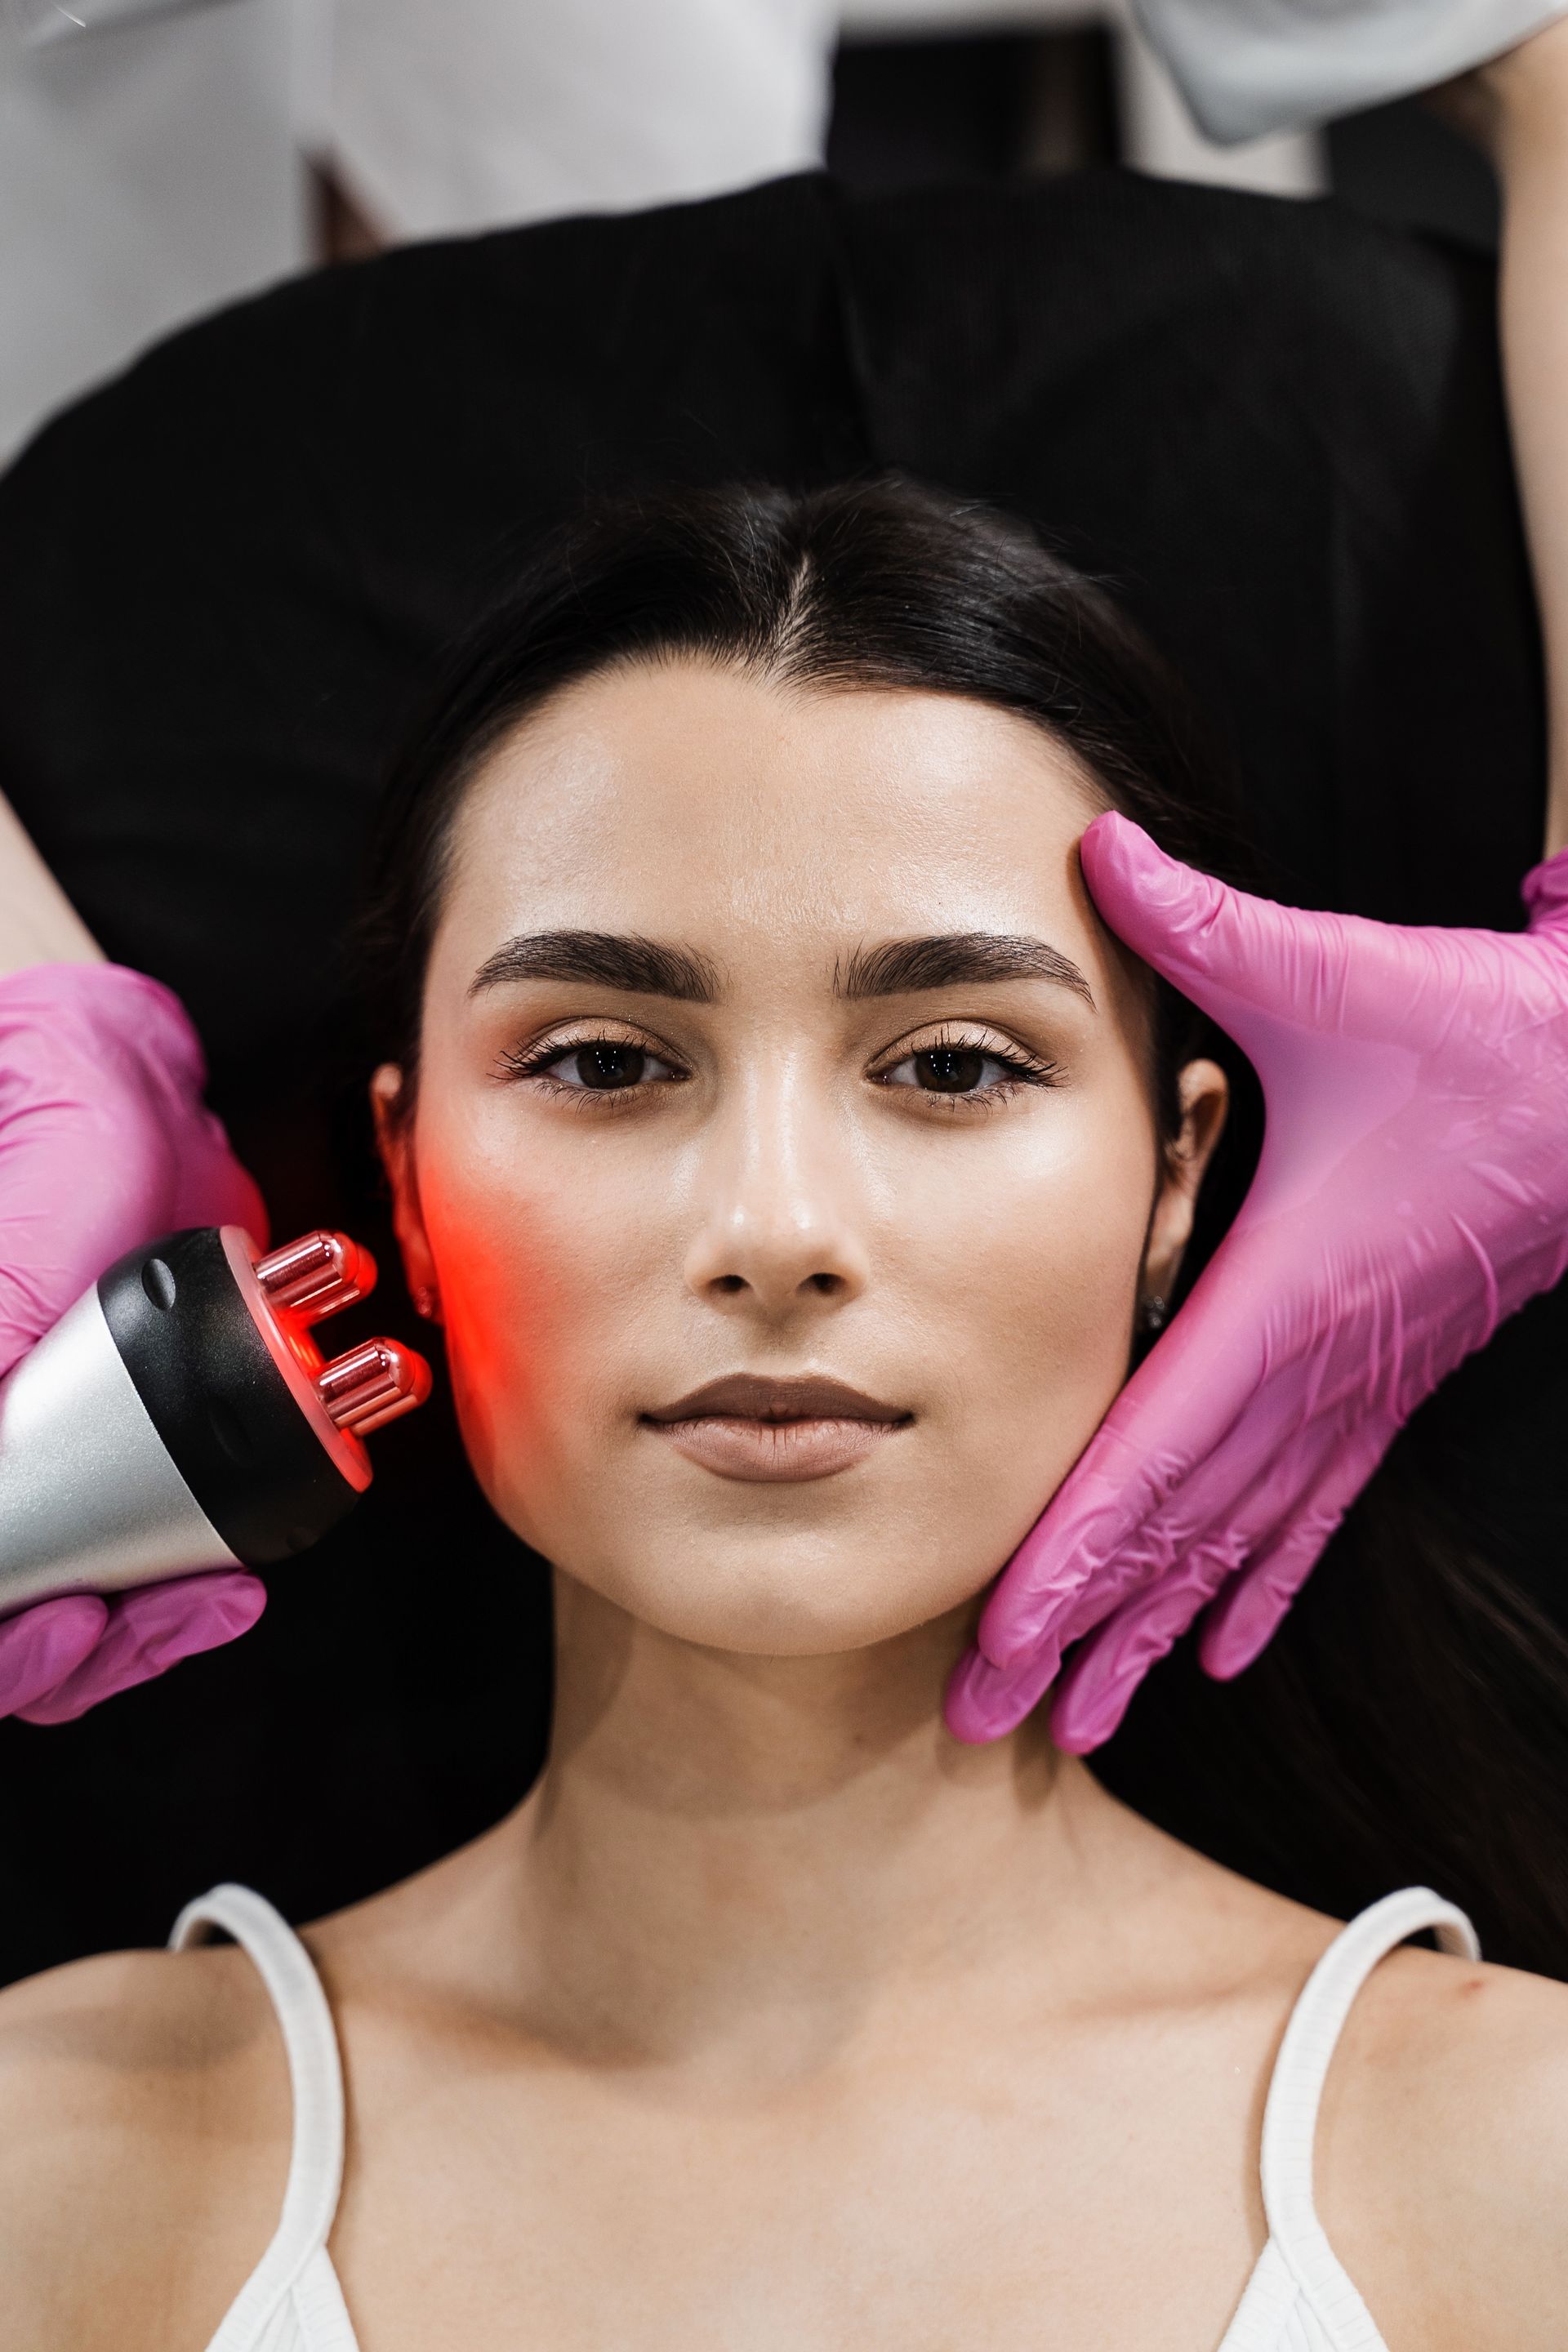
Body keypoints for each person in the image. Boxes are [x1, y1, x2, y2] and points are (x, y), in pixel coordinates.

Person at [3, 33, 1568, 2351]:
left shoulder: (1515, 2174)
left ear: (1182, 1178)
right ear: (400, 1176)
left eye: (951, 1061)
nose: (775, 1224)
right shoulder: (64, 2165)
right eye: (609, 1060)